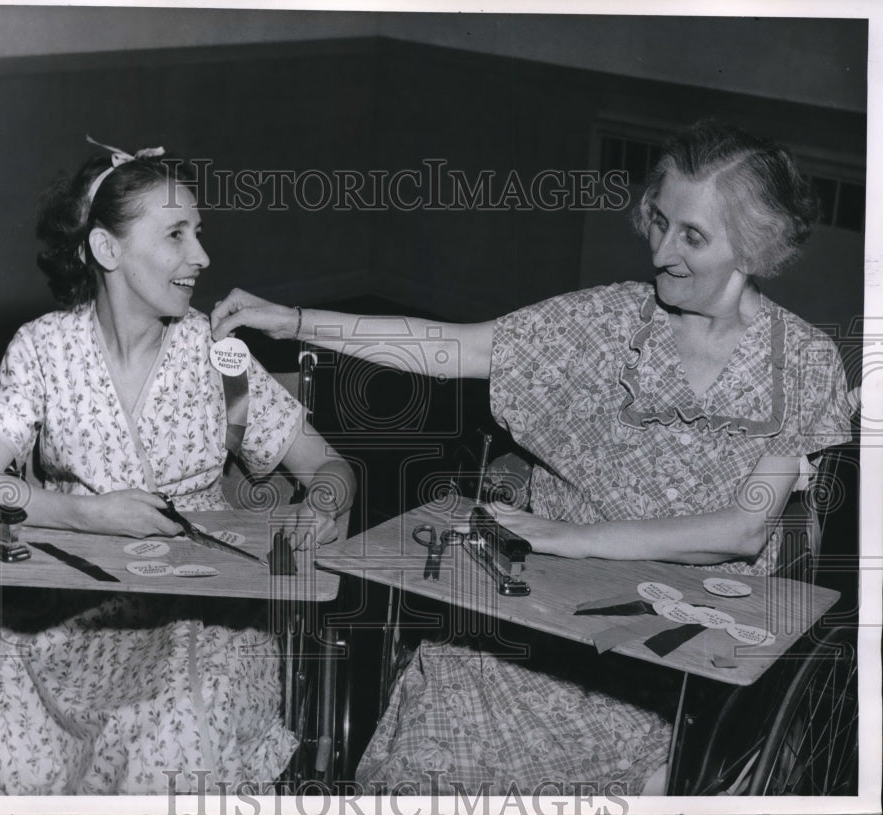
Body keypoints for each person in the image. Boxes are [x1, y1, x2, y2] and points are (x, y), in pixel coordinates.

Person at [209, 120, 855, 795]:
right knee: (443, 720)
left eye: (692, 235)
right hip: (542, 615)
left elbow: (743, 529)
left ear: (754, 246)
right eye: (658, 221)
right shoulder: (607, 321)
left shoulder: (802, 359)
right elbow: (456, 348)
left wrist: (568, 538)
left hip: (680, 659)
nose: (661, 250)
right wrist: (293, 320)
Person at [0, 137, 355, 795]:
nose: (202, 255)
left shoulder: (217, 358)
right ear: (109, 249)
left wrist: (326, 502)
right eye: (176, 234)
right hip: (77, 611)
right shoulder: (43, 350)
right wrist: (87, 511)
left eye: (198, 232)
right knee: (113, 722)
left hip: (208, 611)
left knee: (178, 717)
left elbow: (331, 467)